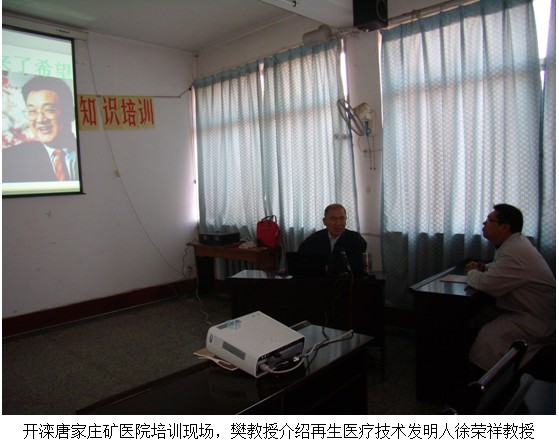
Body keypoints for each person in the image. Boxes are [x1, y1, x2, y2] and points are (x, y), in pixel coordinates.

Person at [465, 204, 555, 373]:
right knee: (479, 317)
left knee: (488, 336)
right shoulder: (514, 244)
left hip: (535, 319)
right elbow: (504, 268)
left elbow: (486, 284)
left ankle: (485, 380)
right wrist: (486, 267)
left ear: (505, 227)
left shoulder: (514, 251)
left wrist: (472, 272)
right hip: (528, 312)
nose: (484, 223)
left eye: (489, 220)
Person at [2, 75, 78, 182]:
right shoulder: (8, 160)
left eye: (49, 109)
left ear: (70, 113)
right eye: (32, 111)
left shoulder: (92, 152)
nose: (40, 119)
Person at [298, 203, 367, 276]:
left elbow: (358, 266)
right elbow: (301, 261)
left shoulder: (355, 239)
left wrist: (329, 268)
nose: (338, 223)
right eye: (333, 219)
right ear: (324, 221)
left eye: (342, 218)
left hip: (347, 281)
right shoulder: (314, 239)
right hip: (318, 280)